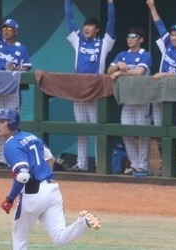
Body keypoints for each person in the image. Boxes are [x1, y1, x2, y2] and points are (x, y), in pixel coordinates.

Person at [0, 108, 101, 249]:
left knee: (19, 235)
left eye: (2, 121)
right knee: (59, 238)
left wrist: (10, 199)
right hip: (51, 191)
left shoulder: (11, 146)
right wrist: (41, 176)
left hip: (32, 194)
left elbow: (23, 176)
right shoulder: (32, 137)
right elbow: (51, 159)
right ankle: (83, 222)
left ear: (12, 123)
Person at [64, 0, 116, 172]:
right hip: (79, 90)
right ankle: (81, 164)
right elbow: (69, 18)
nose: (86, 28)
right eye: (85, 25)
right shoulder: (78, 41)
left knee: (96, 129)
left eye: (91, 25)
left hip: (95, 90)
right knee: (81, 129)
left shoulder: (104, 43)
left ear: (97, 29)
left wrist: (110, 4)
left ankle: (100, 164)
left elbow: (111, 23)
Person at [146, 0, 176, 170]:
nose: (174, 37)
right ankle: (164, 161)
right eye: (172, 35)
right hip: (160, 94)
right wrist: (152, 7)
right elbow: (160, 25)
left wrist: (164, 74)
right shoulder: (167, 45)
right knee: (160, 130)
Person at [0, 0, 32, 169]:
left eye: (9, 29)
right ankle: (1, 158)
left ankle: (15, 158)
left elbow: (26, 69)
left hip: (12, 90)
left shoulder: (21, 48)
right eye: (4, 29)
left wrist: (15, 68)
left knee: (12, 125)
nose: (5, 31)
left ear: (16, 31)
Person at [107, 28, 152, 176]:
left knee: (143, 133)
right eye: (128, 36)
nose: (130, 39)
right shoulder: (122, 55)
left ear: (140, 39)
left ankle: (143, 166)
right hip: (127, 101)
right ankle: (134, 164)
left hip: (142, 99)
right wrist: (116, 66)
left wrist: (121, 72)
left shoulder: (145, 55)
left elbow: (139, 72)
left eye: (133, 37)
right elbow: (109, 71)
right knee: (126, 131)